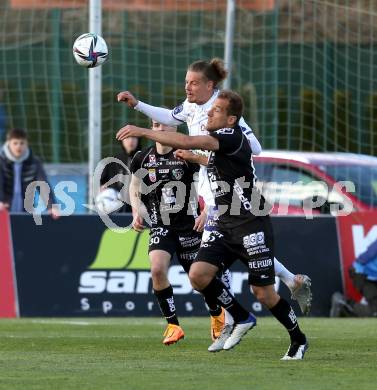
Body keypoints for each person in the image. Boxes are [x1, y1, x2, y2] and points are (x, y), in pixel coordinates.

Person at [117, 58, 312, 344]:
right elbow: (170, 117)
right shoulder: (193, 108)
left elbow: (253, 147)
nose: (188, 87)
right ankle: (275, 290)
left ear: (210, 86)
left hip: (231, 197)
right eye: (186, 81)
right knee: (213, 266)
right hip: (214, 193)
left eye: (194, 83)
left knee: (214, 267)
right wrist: (137, 105)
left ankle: (236, 319)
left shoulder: (221, 113)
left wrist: (229, 135)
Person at [129, 120, 207, 345]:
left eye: (164, 125)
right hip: (160, 225)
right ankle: (173, 325)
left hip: (190, 227)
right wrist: (137, 211)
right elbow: (134, 186)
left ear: (175, 130)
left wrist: (206, 210)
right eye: (155, 125)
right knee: (157, 269)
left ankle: (217, 315)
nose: (160, 129)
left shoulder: (186, 155)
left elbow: (208, 183)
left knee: (201, 282)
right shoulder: (142, 157)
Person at [0, 128, 58, 217]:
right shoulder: (1, 161)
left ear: (27, 144)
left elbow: (42, 185)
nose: (18, 146)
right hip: (3, 212)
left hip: (25, 214)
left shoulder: (34, 162)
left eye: (22, 143)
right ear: (8, 143)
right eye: (15, 143)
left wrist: (51, 206)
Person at [331, 239, 377, 317]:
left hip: (370, 277)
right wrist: (360, 269)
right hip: (361, 275)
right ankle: (341, 303)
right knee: (374, 311)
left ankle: (343, 308)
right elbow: (366, 256)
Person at [100, 136, 140, 212]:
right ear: (121, 140)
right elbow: (102, 184)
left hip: (139, 210)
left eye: (134, 137)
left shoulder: (144, 160)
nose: (131, 140)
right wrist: (103, 189)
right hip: (115, 210)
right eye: (127, 137)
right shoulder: (112, 162)